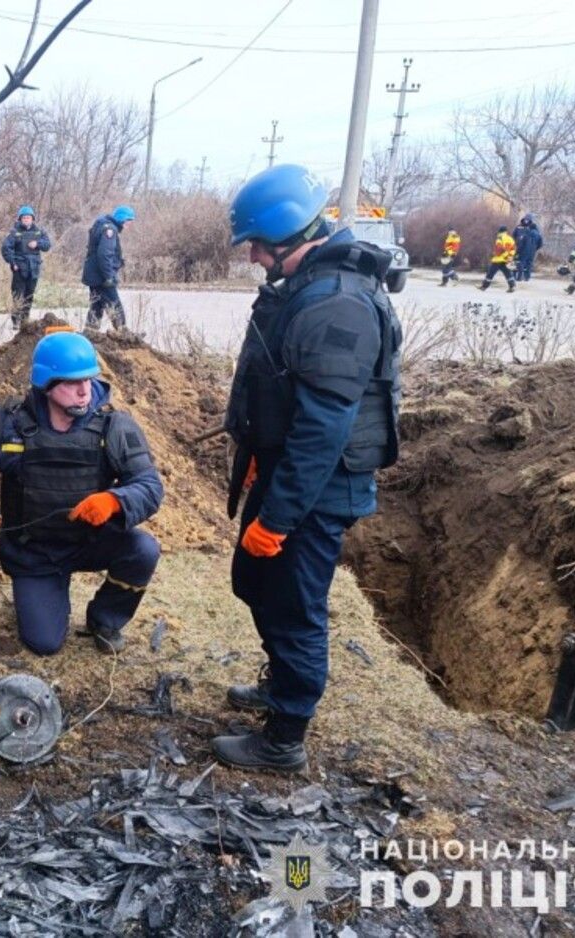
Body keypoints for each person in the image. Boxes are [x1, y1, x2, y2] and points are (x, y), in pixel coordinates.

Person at [216, 163, 402, 773]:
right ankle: (280, 687)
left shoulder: (336, 305)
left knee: (296, 604)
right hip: (286, 472)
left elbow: (325, 428)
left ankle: (284, 738)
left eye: (257, 248)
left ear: (288, 237)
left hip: (318, 486)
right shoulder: (308, 287)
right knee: (253, 580)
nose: (253, 260)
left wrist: (280, 516)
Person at [0, 330, 163, 656]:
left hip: (91, 541)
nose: (85, 391)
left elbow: (150, 485)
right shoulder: (11, 424)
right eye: (73, 383)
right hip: (35, 553)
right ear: (47, 383)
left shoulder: (113, 427)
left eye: (88, 380)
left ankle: (105, 618)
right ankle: (46, 599)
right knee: (44, 643)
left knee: (143, 550)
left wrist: (115, 500)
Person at [82, 205, 135, 331]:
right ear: (122, 219)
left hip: (93, 275)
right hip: (102, 277)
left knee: (96, 306)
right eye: (129, 220)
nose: (130, 224)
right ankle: (123, 334)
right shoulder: (109, 230)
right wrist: (109, 277)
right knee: (114, 305)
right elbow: (104, 255)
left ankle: (90, 333)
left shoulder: (102, 225)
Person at [1, 205, 52, 328]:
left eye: (28, 218)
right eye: (24, 218)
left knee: (29, 295)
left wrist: (38, 244)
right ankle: (16, 321)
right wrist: (12, 263)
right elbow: (5, 249)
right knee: (18, 295)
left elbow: (47, 245)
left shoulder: (39, 232)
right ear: (20, 219)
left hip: (33, 269)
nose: (26, 220)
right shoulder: (14, 232)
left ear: (32, 219)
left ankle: (25, 320)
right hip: (19, 268)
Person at [479, 225, 517, 292]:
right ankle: (512, 286)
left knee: (490, 273)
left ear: (500, 231)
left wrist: (495, 254)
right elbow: (513, 249)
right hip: (506, 259)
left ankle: (484, 286)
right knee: (508, 273)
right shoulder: (510, 239)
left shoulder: (499, 238)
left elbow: (499, 248)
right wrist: (509, 256)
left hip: (498, 260)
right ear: (506, 231)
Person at [512, 213, 543, 282]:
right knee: (518, 262)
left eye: (528, 220)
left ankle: (523, 277)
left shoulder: (532, 229)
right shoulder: (518, 227)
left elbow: (540, 242)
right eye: (526, 219)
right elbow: (513, 236)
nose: (526, 221)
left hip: (526, 249)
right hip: (519, 247)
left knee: (524, 263)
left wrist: (535, 248)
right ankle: (519, 276)